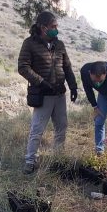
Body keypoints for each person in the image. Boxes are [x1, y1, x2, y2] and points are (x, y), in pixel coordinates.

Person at [17, 11, 78, 174]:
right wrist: (41, 82)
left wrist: (73, 87)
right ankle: (30, 160)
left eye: (57, 26)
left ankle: (58, 159)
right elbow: (23, 67)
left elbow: (67, 67)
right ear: (43, 28)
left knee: (62, 127)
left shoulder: (60, 45)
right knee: (37, 129)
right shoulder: (29, 43)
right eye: (53, 26)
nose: (56, 29)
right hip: (43, 95)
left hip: (59, 94)